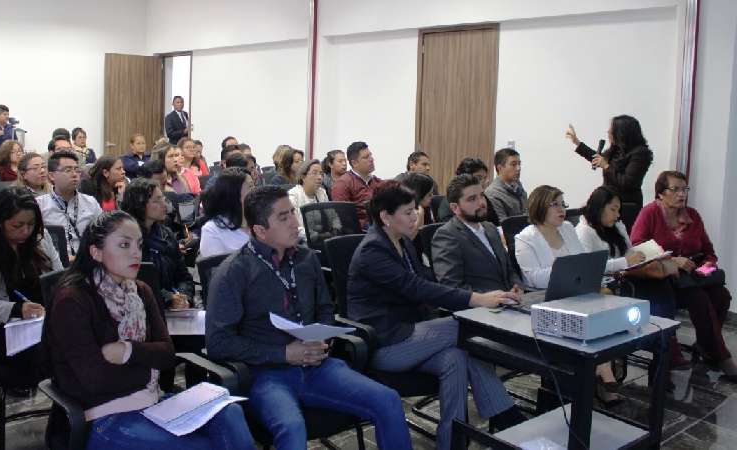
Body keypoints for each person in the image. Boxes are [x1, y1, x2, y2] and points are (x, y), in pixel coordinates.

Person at [206, 185, 412, 450]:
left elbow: (325, 308)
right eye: (283, 217)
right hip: (267, 374)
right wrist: (283, 354)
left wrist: (321, 337)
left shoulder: (306, 258)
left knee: (388, 400)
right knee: (292, 427)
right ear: (260, 231)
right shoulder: (234, 272)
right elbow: (218, 342)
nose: (295, 222)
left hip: (317, 365)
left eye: (292, 212)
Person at [45, 211, 255, 450]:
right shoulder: (73, 300)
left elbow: (166, 355)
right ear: (96, 252)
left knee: (230, 413)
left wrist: (128, 352)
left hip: (154, 401)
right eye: (125, 244)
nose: (136, 252)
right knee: (202, 446)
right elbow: (94, 380)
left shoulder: (141, 291)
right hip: (104, 415)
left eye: (139, 244)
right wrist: (147, 367)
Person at [347, 181, 525, 450]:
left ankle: (452, 443)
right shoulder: (373, 249)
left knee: (456, 358)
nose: (415, 216)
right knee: (470, 327)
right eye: (407, 212)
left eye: (414, 209)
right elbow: (418, 288)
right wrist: (477, 299)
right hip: (386, 343)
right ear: (385, 216)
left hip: (413, 335)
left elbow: (427, 280)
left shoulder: (403, 243)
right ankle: (508, 419)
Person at [515, 185, 622, 403]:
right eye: (554, 204)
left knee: (607, 306)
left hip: (577, 293)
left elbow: (584, 262)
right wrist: (566, 268)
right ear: (539, 207)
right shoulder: (526, 237)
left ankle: (600, 370)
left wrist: (573, 270)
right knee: (594, 314)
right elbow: (532, 278)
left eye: (562, 203)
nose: (561, 209)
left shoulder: (567, 229)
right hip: (550, 297)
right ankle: (603, 372)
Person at [631, 171, 736, 381]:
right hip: (662, 278)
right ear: (661, 193)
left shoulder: (693, 216)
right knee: (699, 298)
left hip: (691, 277)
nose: (682, 194)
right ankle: (720, 354)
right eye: (675, 189)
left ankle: (706, 346)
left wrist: (708, 264)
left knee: (721, 295)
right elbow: (637, 249)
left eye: (685, 189)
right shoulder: (650, 213)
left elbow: (708, 250)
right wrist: (672, 261)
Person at [0, 187, 63, 387]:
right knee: (56, 354)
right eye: (17, 225)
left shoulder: (41, 238)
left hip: (44, 322)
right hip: (3, 329)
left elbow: (59, 280)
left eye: (31, 224)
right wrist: (15, 309)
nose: (25, 231)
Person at [576, 185, 688, 368]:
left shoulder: (617, 226)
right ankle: (661, 344)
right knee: (658, 290)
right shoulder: (584, 232)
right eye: (613, 209)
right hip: (608, 283)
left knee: (662, 283)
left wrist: (651, 254)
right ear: (598, 207)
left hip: (627, 276)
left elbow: (630, 251)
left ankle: (664, 343)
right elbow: (591, 267)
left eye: (618, 210)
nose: (617, 215)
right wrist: (625, 262)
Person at [432, 174, 523, 295]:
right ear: (455, 208)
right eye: (472, 199)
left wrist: (517, 286)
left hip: (509, 303)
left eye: (482, 195)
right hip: (478, 309)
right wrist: (486, 298)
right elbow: (451, 286)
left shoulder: (490, 228)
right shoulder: (446, 236)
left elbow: (508, 268)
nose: (481, 202)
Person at [566, 115, 653, 228]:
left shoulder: (641, 153)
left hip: (626, 207)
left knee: (621, 240)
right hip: (607, 202)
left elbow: (628, 182)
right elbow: (598, 159)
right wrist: (577, 142)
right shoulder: (616, 149)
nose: (608, 132)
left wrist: (606, 166)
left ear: (622, 132)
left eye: (612, 129)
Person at [122, 179, 194, 310]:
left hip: (172, 308)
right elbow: (132, 284)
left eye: (163, 199)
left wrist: (184, 297)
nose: (164, 205)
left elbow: (184, 276)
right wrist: (168, 299)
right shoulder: (126, 240)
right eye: (156, 201)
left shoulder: (166, 234)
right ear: (139, 205)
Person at [37, 151, 102, 258]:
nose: (74, 174)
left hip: (87, 262)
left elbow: (103, 234)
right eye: (68, 170)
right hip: (55, 265)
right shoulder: (40, 205)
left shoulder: (91, 202)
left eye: (76, 170)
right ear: (52, 176)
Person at [198, 168, 253, 258]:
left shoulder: (259, 217)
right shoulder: (212, 230)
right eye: (250, 187)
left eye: (254, 186)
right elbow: (214, 270)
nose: (255, 191)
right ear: (234, 194)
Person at [331, 141, 382, 229]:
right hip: (361, 231)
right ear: (354, 163)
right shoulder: (343, 184)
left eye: (370, 155)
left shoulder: (377, 182)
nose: (371, 159)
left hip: (379, 224)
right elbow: (344, 219)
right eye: (366, 157)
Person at [438, 157, 499, 225]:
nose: (484, 182)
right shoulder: (450, 203)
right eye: (479, 178)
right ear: (464, 178)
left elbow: (496, 223)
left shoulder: (483, 197)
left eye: (484, 178)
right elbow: (451, 231)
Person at [287, 159, 329, 241]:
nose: (320, 177)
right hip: (302, 241)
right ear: (303, 177)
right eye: (315, 173)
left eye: (321, 174)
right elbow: (294, 228)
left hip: (323, 238)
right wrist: (317, 235)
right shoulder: (293, 196)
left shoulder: (322, 193)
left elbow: (330, 217)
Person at [485, 148, 527, 221]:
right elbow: (503, 225)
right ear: (500, 168)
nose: (518, 168)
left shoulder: (518, 187)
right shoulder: (492, 194)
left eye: (519, 164)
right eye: (513, 164)